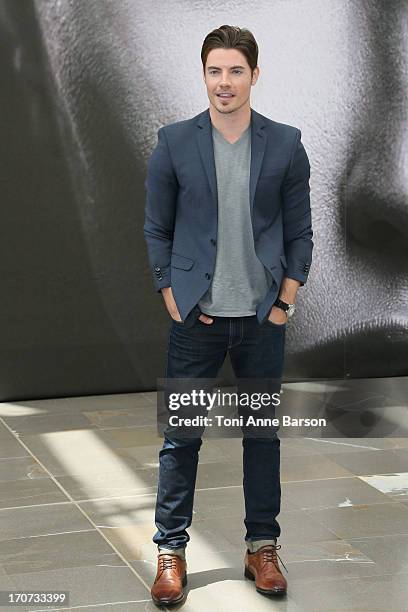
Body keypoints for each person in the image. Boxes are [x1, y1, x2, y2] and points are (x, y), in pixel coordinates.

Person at [144, 25, 313, 605]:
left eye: (235, 71)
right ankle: (171, 552)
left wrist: (286, 300)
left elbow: (299, 231)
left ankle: (261, 548)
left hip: (262, 319)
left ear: (255, 76)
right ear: (204, 76)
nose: (224, 82)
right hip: (197, 320)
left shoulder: (286, 144)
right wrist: (170, 291)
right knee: (180, 438)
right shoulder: (173, 141)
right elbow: (157, 227)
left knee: (262, 437)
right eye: (215, 71)